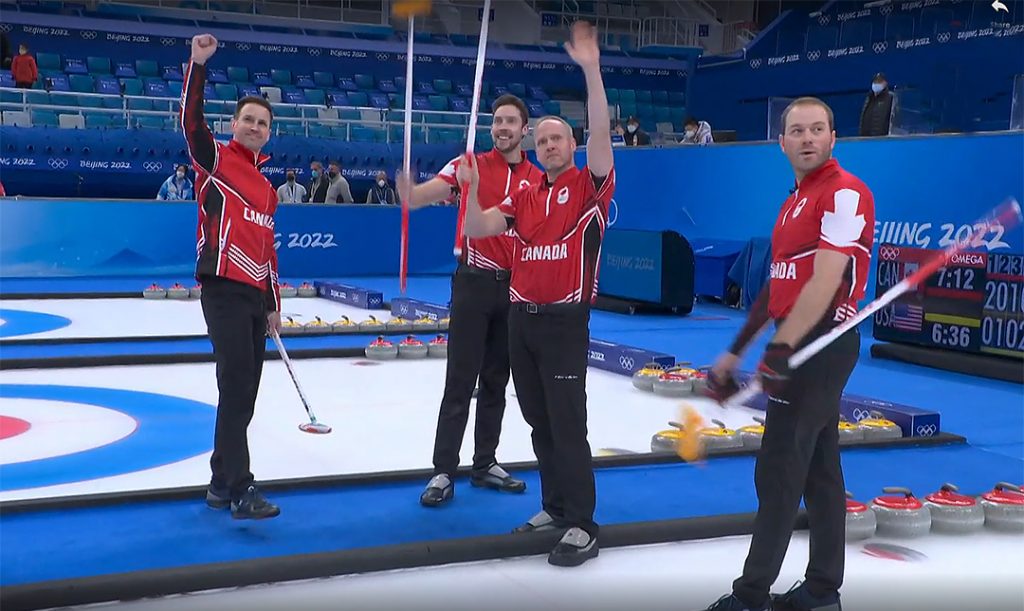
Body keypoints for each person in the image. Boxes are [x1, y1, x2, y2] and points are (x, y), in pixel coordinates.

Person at [702, 97, 875, 611]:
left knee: (778, 469)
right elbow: (777, 286)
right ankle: (823, 589)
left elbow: (825, 282)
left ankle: (750, 596)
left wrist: (780, 347)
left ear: (832, 137)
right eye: (796, 131)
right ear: (781, 142)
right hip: (793, 343)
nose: (807, 139)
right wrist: (736, 350)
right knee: (819, 469)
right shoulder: (794, 199)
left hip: (819, 345)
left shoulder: (845, 194)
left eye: (816, 129)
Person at [460, 20, 614, 568]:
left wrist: (591, 70)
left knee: (569, 423)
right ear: (534, 145)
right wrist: (473, 188)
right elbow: (479, 229)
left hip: (564, 321)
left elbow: (601, 131)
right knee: (539, 421)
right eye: (542, 139)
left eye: (558, 139)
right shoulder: (524, 194)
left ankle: (584, 524)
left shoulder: (588, 186)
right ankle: (555, 506)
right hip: (521, 318)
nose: (549, 145)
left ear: (572, 146)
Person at [397, 93, 543, 508]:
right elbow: (426, 195)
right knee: (460, 379)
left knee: (498, 379)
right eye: (497, 121)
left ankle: (485, 462)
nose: (502, 128)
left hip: (515, 287)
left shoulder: (537, 177)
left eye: (510, 122)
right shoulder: (471, 163)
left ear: (524, 130)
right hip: (473, 282)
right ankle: (444, 469)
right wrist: (412, 191)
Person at [183, 33, 282, 520]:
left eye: (263, 123)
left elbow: (267, 250)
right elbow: (190, 122)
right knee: (237, 382)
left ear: (269, 132)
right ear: (234, 123)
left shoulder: (268, 188)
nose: (255, 127)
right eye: (248, 119)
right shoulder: (216, 160)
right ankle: (241, 488)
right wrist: (197, 65)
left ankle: (220, 483)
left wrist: (273, 304)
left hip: (252, 296)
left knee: (243, 390)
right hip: (221, 286)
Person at [858, 72, 893, 137]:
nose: (876, 84)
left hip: (881, 139)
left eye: (879, 82)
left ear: (885, 83)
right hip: (865, 138)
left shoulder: (890, 98)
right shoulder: (869, 97)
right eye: (875, 82)